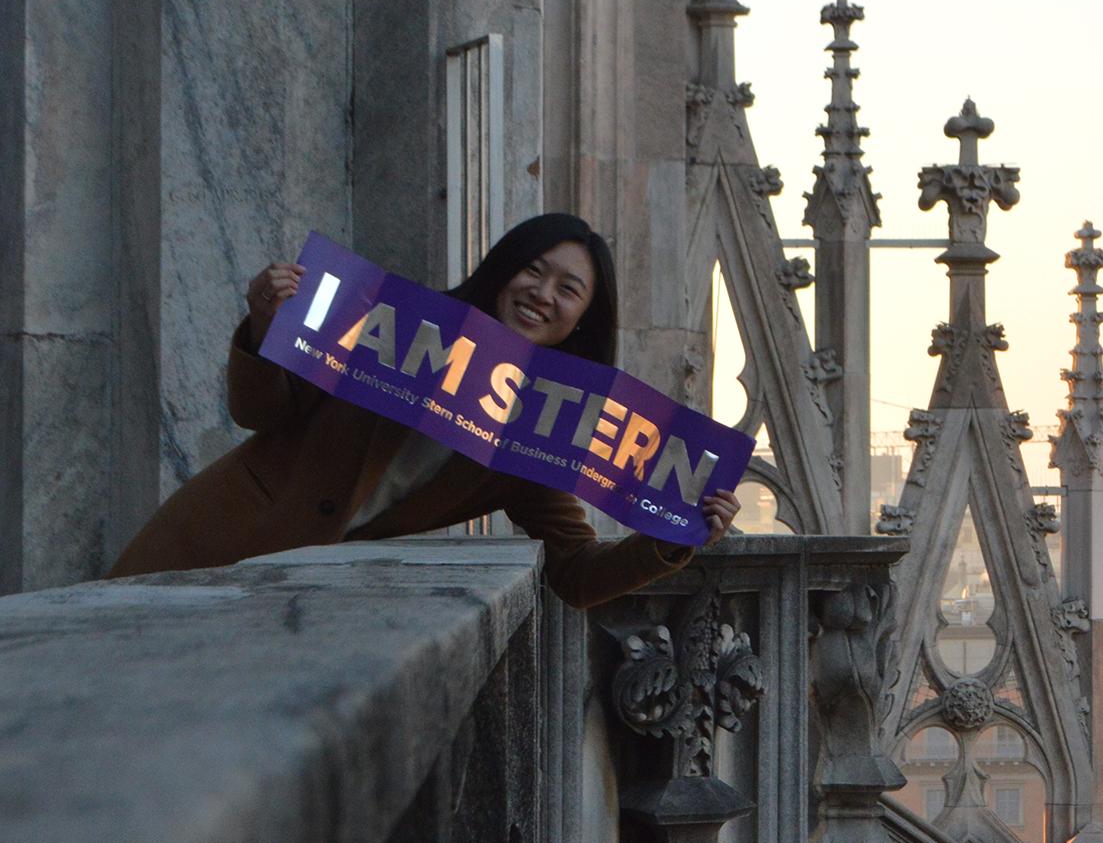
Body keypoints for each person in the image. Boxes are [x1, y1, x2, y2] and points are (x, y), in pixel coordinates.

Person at [107, 213, 739, 607]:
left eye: (567, 289)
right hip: (209, 543)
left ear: (581, 321)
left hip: (287, 602)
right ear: (501, 271)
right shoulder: (399, 327)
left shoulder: (538, 436)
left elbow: (574, 573)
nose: (542, 294)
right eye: (533, 270)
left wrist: (673, 536)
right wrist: (263, 325)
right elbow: (260, 412)